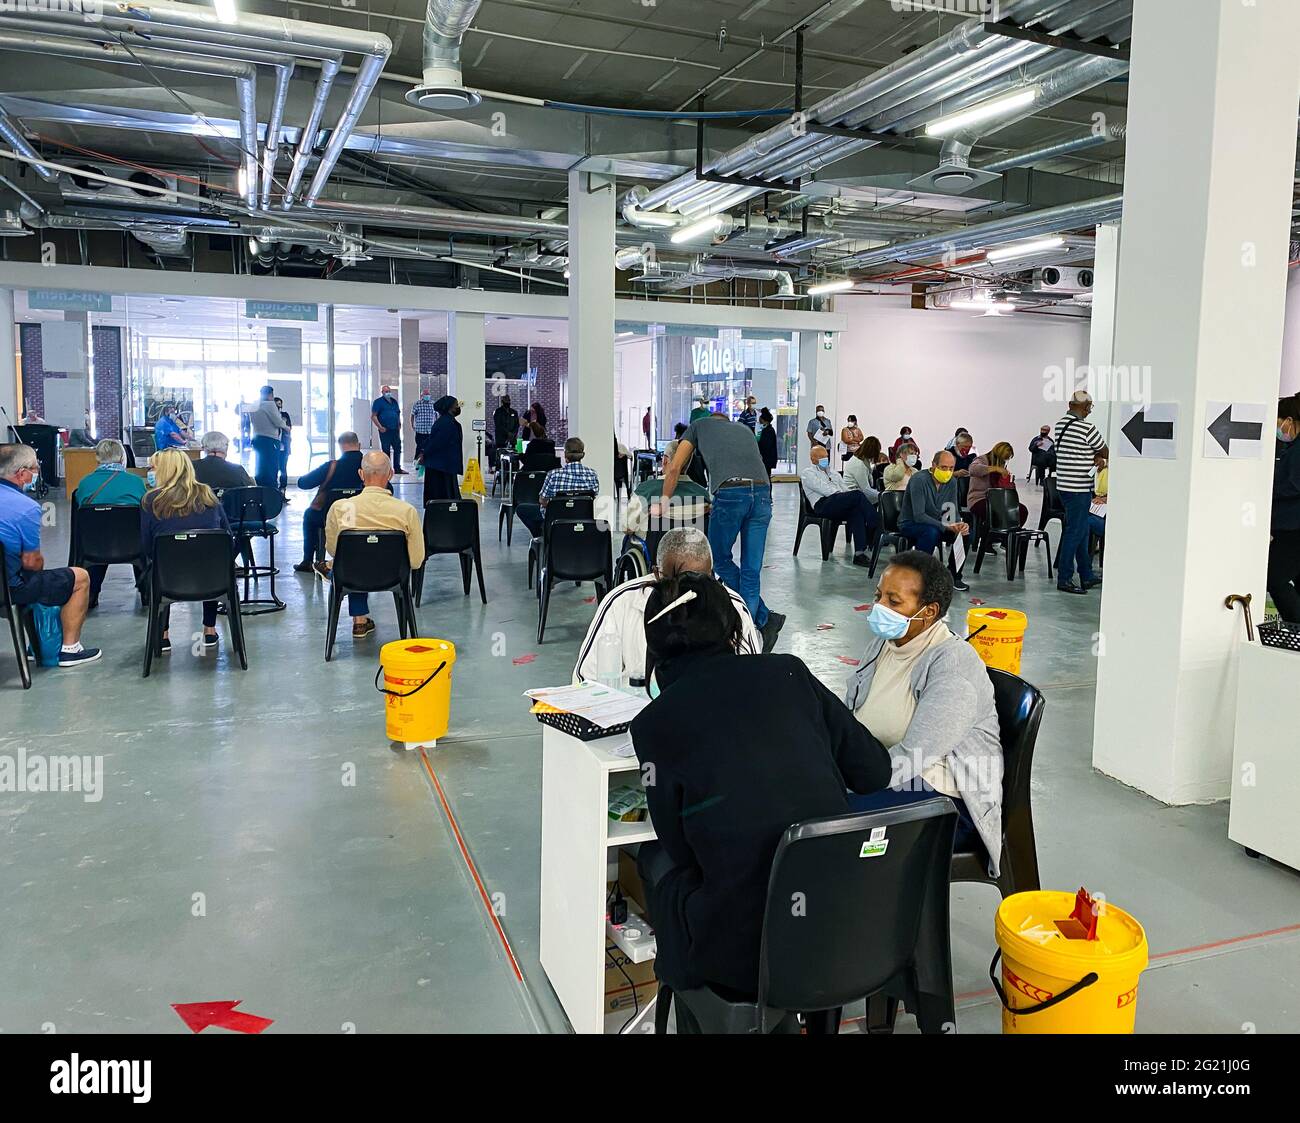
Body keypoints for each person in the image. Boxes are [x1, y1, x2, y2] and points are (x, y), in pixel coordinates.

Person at [630, 570, 892, 1000]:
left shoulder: (653, 726)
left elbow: (680, 850)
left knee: (653, 860)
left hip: (744, 958)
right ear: (735, 628)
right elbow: (874, 772)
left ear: (653, 645)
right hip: (846, 924)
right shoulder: (788, 672)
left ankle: (684, 991)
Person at [842, 549, 1002, 862]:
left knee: (832, 824)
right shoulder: (885, 644)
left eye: (893, 601)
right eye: (879, 596)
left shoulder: (952, 666)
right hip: (885, 769)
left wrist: (850, 781)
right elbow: (850, 716)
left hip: (942, 800)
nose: (879, 607)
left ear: (928, 611)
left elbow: (913, 758)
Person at [654, 408, 784, 652]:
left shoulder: (698, 427)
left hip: (731, 493)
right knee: (751, 570)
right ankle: (756, 627)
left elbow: (674, 467)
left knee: (719, 559)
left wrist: (663, 502)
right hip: (763, 495)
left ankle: (761, 620)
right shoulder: (744, 429)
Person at [573, 527, 760, 684]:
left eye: (701, 581)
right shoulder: (621, 603)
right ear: (656, 574)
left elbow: (748, 680)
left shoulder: (732, 606)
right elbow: (585, 678)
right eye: (680, 582)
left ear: (712, 574)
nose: (689, 593)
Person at [0, 443, 102, 666]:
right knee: (80, 577)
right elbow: (32, 562)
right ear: (22, 474)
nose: (37, 473)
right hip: (8, 590)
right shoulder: (24, 507)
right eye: (35, 469)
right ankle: (70, 649)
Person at [139, 448, 232, 655]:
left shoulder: (150, 501)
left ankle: (163, 635)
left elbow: (146, 547)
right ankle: (209, 628)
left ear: (164, 470)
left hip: (167, 579)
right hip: (213, 579)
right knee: (208, 556)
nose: (149, 472)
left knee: (164, 561)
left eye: (152, 467)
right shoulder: (208, 495)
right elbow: (227, 537)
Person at [324, 451, 425, 640]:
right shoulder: (406, 512)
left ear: (361, 474)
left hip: (351, 576)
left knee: (353, 560)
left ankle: (358, 619)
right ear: (391, 474)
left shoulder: (340, 508)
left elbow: (333, 550)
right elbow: (416, 560)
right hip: (393, 577)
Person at [73, 439, 148, 609]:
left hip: (93, 545)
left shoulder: (85, 483)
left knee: (101, 533)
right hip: (132, 545)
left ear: (98, 458)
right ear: (122, 457)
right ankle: (146, 591)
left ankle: (91, 593)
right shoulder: (135, 482)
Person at [1053, 390, 1107, 595]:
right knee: (1074, 532)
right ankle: (1065, 578)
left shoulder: (1060, 425)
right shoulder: (1086, 427)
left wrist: (1093, 456)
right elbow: (1104, 450)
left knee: (1082, 531)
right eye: (1089, 408)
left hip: (1065, 486)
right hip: (1079, 488)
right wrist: (1099, 458)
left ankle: (1086, 574)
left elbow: (1078, 450)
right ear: (1084, 407)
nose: (1089, 412)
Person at [899, 450, 971, 592]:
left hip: (938, 523)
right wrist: (945, 526)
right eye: (944, 467)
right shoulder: (919, 480)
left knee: (965, 534)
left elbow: (951, 509)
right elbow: (919, 515)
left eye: (951, 468)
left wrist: (958, 524)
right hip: (911, 523)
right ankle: (920, 577)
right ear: (933, 465)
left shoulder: (952, 482)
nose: (948, 472)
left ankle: (954, 575)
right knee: (931, 532)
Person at [293, 432, 364, 572]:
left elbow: (303, 483)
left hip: (329, 517)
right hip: (361, 515)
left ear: (341, 446)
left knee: (309, 515)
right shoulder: (368, 466)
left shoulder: (332, 466)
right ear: (359, 445)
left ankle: (308, 560)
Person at [800, 444, 878, 567]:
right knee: (857, 495)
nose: (825, 459)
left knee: (856, 511)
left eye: (826, 456)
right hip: (822, 505)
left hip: (837, 502)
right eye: (821, 457)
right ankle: (876, 523)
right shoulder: (807, 473)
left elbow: (845, 488)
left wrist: (845, 496)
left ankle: (859, 553)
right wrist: (844, 496)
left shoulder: (833, 473)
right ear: (813, 459)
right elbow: (824, 489)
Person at [518, 437, 599, 538]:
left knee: (522, 509)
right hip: (581, 518)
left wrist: (555, 504)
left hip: (555, 518)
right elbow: (592, 497)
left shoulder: (553, 474)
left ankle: (541, 536)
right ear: (583, 454)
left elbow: (542, 500)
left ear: (565, 454)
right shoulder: (592, 474)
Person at [1268, 395, 1300, 623]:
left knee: (1274, 578)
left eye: (1278, 422)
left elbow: (1294, 484)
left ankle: (1296, 626)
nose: (1279, 429)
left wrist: (1266, 489)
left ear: (1288, 419)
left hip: (1293, 528)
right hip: (1289, 525)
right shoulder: (1292, 447)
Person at [967, 441, 1027, 533]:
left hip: (998, 500)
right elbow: (973, 469)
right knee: (1000, 512)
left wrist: (1009, 482)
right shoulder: (982, 459)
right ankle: (994, 538)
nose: (1005, 461)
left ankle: (1008, 537)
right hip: (979, 499)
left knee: (1021, 510)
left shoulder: (1002, 466)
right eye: (1004, 458)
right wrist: (994, 468)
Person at [422, 395, 463, 505]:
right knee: (444, 494)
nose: (458, 407)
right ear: (449, 407)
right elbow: (435, 443)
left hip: (444, 464)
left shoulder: (446, 421)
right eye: (456, 405)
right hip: (440, 466)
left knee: (445, 493)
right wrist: (424, 454)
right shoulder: (446, 423)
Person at [249, 385, 288, 489]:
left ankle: (261, 490)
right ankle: (272, 493)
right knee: (271, 469)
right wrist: (285, 425)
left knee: (260, 467)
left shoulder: (254, 405)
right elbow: (278, 422)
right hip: (270, 440)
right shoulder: (270, 405)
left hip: (257, 439)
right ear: (271, 394)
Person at [370, 385, 407, 474]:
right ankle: (387, 469)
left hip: (395, 429)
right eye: (386, 391)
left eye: (389, 391)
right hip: (385, 430)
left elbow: (397, 413)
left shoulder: (394, 402)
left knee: (397, 448)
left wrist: (399, 423)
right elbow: (373, 416)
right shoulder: (378, 402)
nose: (388, 393)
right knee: (386, 450)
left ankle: (397, 468)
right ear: (382, 392)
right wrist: (380, 427)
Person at [411, 388, 438, 469]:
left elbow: (436, 415)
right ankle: (417, 464)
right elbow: (412, 415)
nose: (427, 396)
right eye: (426, 394)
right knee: (419, 448)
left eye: (428, 394)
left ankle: (427, 464)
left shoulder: (433, 404)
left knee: (429, 448)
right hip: (420, 430)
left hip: (430, 431)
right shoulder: (417, 404)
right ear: (422, 395)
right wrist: (412, 425)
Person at [273, 397, 293, 492]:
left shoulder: (284, 415)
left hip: (284, 446)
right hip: (274, 447)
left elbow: (288, 428)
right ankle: (274, 490)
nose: (278, 406)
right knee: (274, 469)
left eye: (280, 404)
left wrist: (283, 424)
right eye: (276, 404)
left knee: (283, 469)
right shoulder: (271, 416)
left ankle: (283, 490)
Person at [756, 407, 778, 478]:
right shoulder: (765, 429)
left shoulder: (768, 431)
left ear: (763, 420)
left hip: (766, 459)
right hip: (765, 459)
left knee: (766, 477)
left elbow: (766, 446)